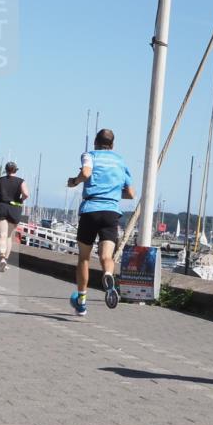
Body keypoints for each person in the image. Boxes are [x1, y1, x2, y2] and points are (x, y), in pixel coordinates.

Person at [66, 129, 135, 316]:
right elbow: (130, 193)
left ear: (96, 142)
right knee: (107, 257)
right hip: (111, 212)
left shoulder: (89, 155)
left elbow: (87, 173)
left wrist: (74, 181)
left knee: (84, 258)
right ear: (112, 145)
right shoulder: (120, 161)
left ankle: (81, 302)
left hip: (90, 210)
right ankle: (108, 276)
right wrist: (111, 193)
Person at [0, 162, 28, 272]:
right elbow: (26, 194)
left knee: (2, 236)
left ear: (6, 170)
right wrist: (20, 200)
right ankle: (6, 260)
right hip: (15, 208)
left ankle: (2, 259)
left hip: (2, 207)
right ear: (16, 170)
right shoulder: (21, 181)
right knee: (9, 237)